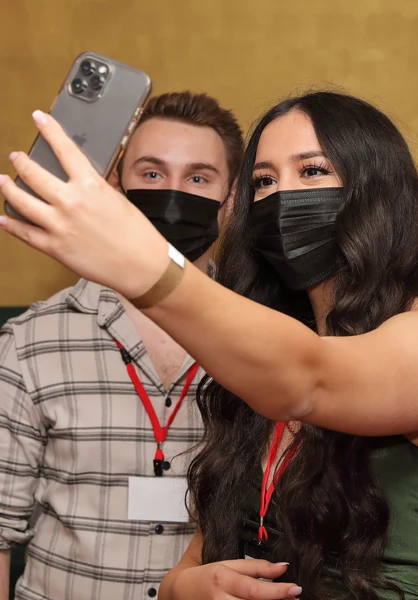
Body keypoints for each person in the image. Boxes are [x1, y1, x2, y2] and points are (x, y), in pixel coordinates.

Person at [0, 91, 418, 599]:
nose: (281, 197)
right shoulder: (259, 359)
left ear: (375, 189)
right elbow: (191, 565)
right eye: (265, 181)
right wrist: (185, 588)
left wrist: (140, 263)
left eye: (311, 171)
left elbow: (308, 380)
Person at [0, 91, 243, 600]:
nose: (172, 194)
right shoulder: (31, 342)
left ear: (232, 199)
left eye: (198, 178)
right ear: (114, 185)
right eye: (152, 174)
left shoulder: (262, 342)